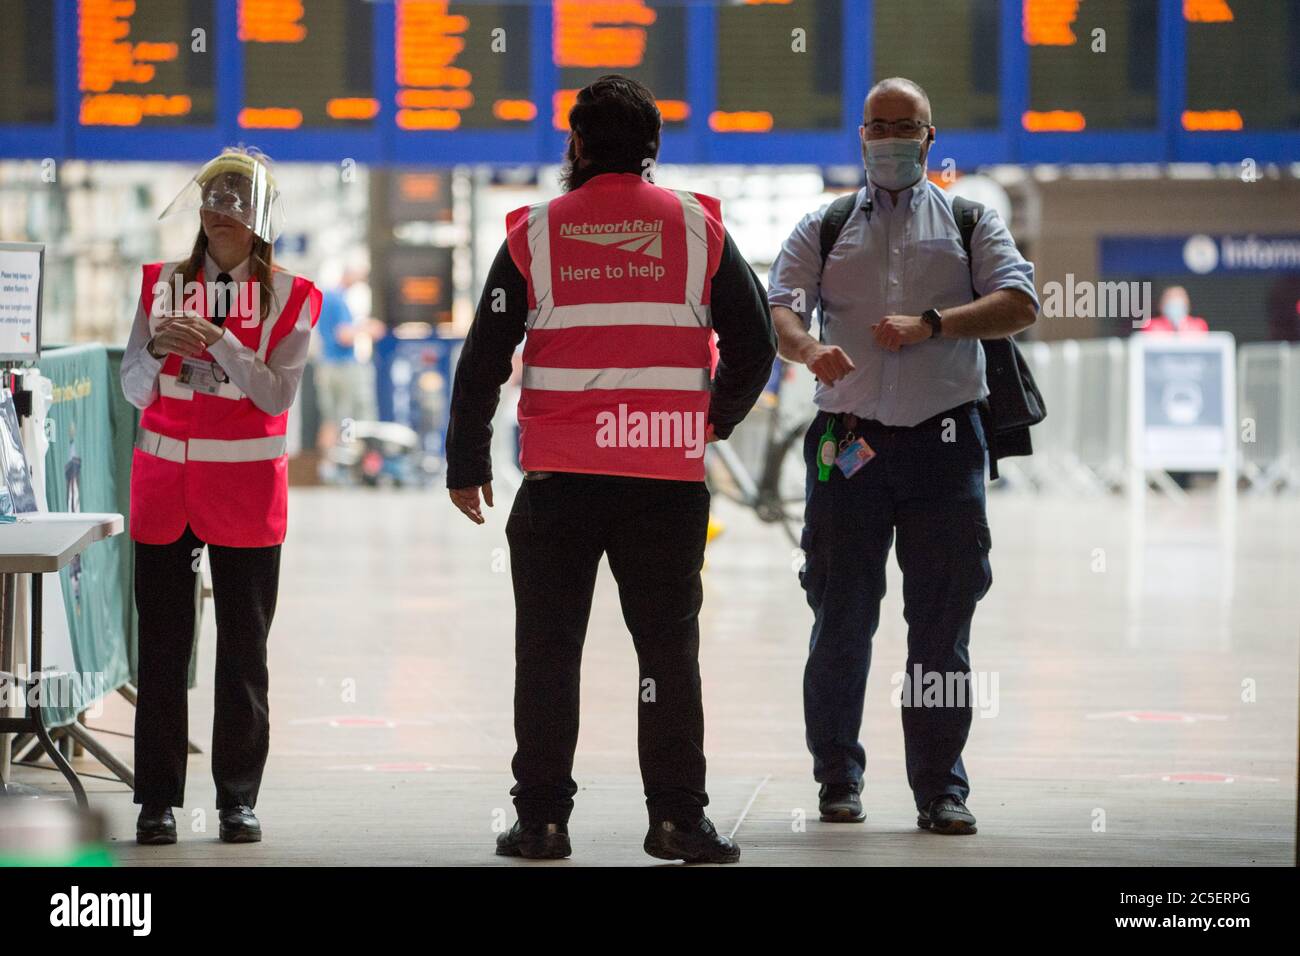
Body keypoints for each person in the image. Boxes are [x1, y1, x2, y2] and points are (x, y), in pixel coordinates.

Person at [445, 74, 775, 863]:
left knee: (549, 652)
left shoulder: (536, 234)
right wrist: (710, 420)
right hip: (664, 483)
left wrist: (465, 460)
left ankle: (543, 823)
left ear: (577, 146)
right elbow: (756, 343)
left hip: (560, 484)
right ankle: (677, 822)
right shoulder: (699, 231)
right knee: (667, 654)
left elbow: (484, 356)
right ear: (653, 151)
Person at [767, 78, 1039, 834]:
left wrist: (934, 323)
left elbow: (1020, 301)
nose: (889, 139)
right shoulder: (823, 227)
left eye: (904, 127)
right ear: (861, 136)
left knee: (942, 625)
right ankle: (836, 781)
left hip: (944, 444)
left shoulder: (969, 219)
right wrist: (807, 345)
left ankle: (941, 789)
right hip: (844, 444)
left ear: (929, 136)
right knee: (840, 616)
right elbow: (780, 305)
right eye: (877, 126)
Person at [120, 147, 322, 845]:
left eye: (236, 201)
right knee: (163, 651)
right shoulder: (159, 285)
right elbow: (133, 388)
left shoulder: (292, 297)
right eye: (213, 199)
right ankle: (156, 802)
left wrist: (220, 343)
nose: (221, 212)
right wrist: (160, 351)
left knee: (244, 652)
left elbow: (275, 395)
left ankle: (237, 799)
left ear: (260, 218)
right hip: (164, 492)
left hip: (244, 495)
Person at [1143, 286, 1208, 334]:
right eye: (1171, 299)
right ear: (1161, 305)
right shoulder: (1151, 325)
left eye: (1179, 299)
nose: (1175, 303)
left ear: (1188, 305)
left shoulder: (1199, 324)